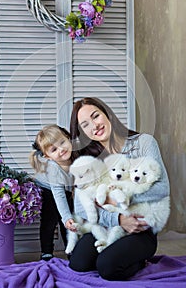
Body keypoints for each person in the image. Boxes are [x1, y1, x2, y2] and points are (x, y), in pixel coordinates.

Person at [68, 97, 170, 281]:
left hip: (141, 226)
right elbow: (81, 206)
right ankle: (116, 253)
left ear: (107, 114)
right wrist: (118, 219)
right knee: (78, 263)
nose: (94, 126)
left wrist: (122, 198)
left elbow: (162, 189)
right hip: (108, 224)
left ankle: (139, 260)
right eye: (85, 125)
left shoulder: (143, 143)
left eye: (95, 116)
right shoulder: (91, 160)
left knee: (107, 268)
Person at [29, 124, 75, 261]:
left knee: (69, 219)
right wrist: (66, 217)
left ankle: (71, 248)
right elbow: (58, 194)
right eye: (54, 149)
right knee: (51, 220)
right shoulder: (53, 168)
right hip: (48, 189)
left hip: (63, 188)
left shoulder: (75, 157)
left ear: (68, 138)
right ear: (47, 156)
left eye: (62, 142)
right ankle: (46, 251)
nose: (61, 150)